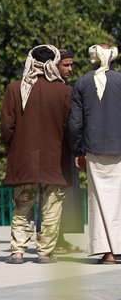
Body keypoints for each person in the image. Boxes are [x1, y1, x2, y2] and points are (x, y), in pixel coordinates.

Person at [0, 45, 72, 264]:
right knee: (52, 206)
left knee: (22, 204)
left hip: (23, 157)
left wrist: (12, 148)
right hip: (55, 158)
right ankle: (45, 253)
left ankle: (18, 251)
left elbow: (6, 127)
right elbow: (71, 126)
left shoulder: (14, 89)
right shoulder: (64, 91)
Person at [69, 44, 121, 265]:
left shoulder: (81, 82)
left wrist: (77, 150)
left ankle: (107, 252)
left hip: (94, 149)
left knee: (99, 199)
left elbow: (75, 123)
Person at [54, 49, 83, 254]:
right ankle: (53, 241)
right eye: (66, 65)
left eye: (71, 65)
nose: (70, 69)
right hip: (55, 151)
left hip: (68, 149)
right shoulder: (51, 89)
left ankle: (60, 239)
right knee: (53, 197)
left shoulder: (68, 88)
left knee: (66, 196)